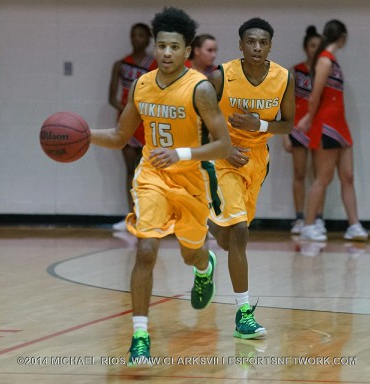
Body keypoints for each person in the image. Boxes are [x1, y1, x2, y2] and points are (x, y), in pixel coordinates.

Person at [91, 7, 231, 364]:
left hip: (191, 180)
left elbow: (224, 145)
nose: (166, 53)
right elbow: (121, 135)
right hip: (152, 176)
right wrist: (84, 136)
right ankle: (140, 337)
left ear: (187, 51)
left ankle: (204, 266)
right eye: (161, 46)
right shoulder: (142, 84)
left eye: (174, 47)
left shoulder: (199, 89)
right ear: (155, 48)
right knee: (146, 250)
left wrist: (182, 153)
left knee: (191, 252)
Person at [207, 18, 294, 339]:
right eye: (251, 42)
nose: (257, 48)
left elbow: (287, 125)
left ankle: (210, 225)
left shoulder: (284, 77)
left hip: (257, 160)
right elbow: (199, 118)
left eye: (263, 42)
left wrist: (257, 125)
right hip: (224, 157)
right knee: (241, 232)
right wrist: (222, 147)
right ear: (241, 45)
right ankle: (243, 313)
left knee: (231, 240)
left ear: (270, 45)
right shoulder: (220, 75)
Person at [297, 20, 368, 242]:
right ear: (343, 37)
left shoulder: (332, 60)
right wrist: (308, 118)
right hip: (327, 125)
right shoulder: (325, 61)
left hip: (340, 125)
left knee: (348, 176)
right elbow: (315, 95)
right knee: (323, 178)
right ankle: (308, 225)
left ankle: (354, 225)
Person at [108, 23, 157, 231]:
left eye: (141, 35)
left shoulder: (155, 64)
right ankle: (131, 217)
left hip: (148, 121)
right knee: (130, 170)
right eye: (133, 35)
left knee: (147, 172)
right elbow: (112, 98)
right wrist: (130, 112)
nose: (137, 39)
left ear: (148, 39)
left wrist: (145, 113)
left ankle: (148, 217)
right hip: (127, 121)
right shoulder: (120, 64)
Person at [284, 26, 325, 235]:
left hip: (319, 127)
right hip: (299, 127)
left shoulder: (325, 70)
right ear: (305, 47)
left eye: (319, 47)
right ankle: (300, 218)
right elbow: (288, 103)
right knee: (299, 173)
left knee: (319, 174)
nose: (315, 50)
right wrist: (285, 133)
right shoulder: (296, 70)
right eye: (312, 46)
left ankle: (318, 218)